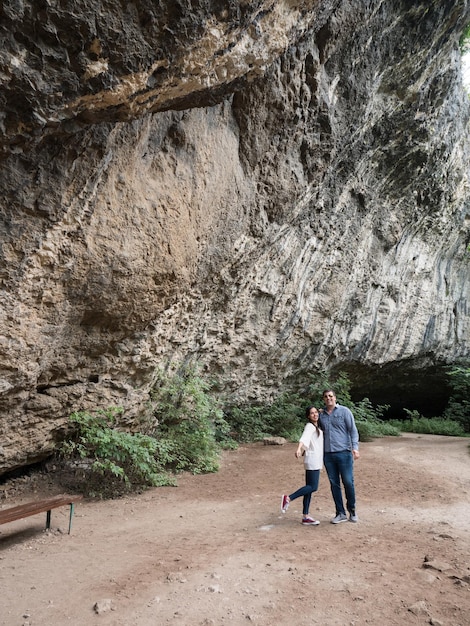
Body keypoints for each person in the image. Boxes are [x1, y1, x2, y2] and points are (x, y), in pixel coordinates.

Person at [319, 389, 360, 524]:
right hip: (328, 455)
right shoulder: (321, 415)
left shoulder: (344, 411)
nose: (328, 398)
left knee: (348, 482)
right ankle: (340, 513)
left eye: (330, 396)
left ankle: (352, 510)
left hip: (344, 452)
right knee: (334, 484)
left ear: (335, 398)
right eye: (325, 397)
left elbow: (353, 430)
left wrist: (355, 448)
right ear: (323, 399)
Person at [280, 406, 324, 525]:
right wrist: (299, 448)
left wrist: (320, 411)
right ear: (308, 416)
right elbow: (304, 438)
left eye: (316, 413)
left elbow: (322, 412)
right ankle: (288, 498)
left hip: (314, 459)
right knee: (313, 487)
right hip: (313, 460)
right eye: (312, 413)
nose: (315, 415)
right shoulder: (310, 426)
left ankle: (306, 516)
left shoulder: (316, 426)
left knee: (308, 488)